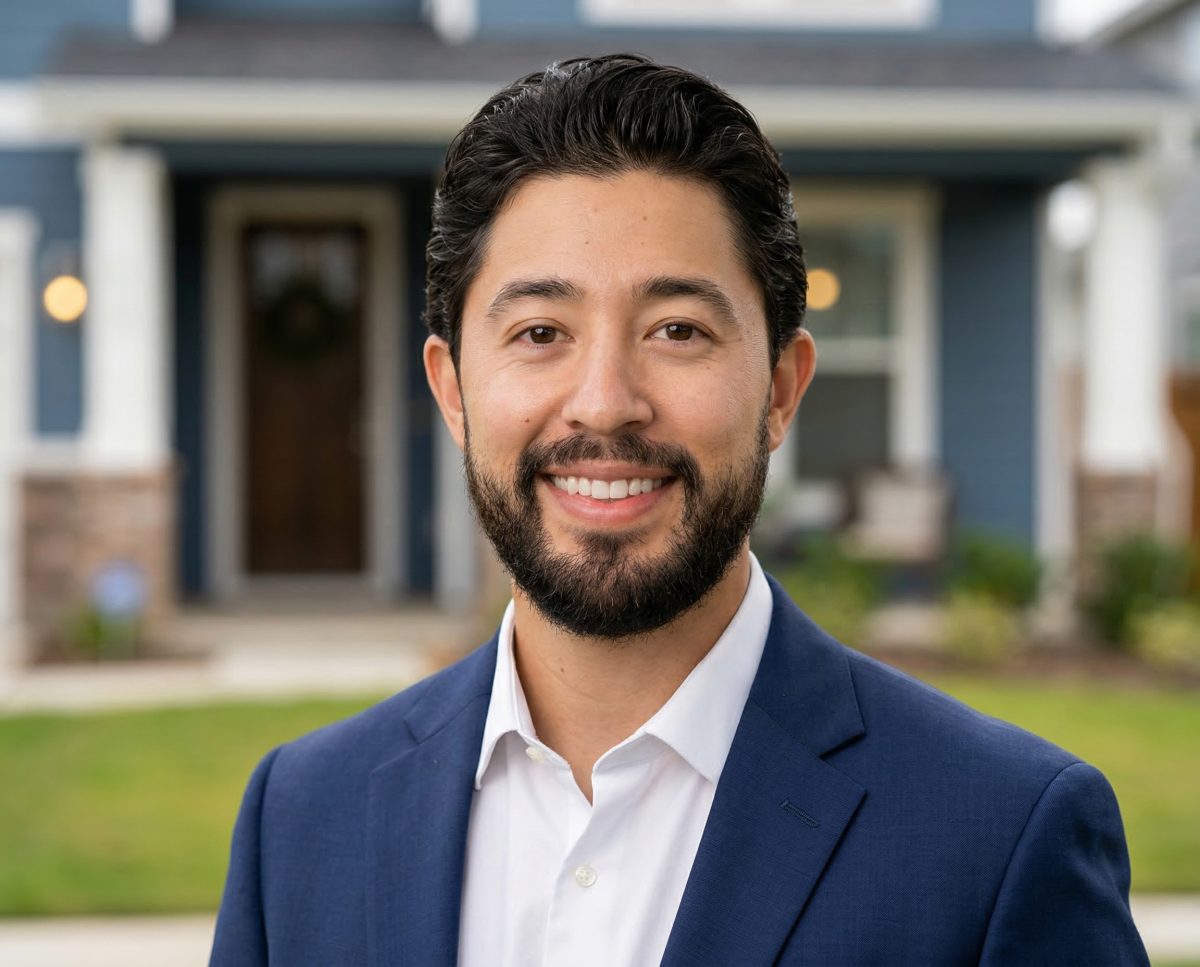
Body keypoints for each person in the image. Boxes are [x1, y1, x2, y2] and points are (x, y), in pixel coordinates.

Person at [210, 54, 1149, 967]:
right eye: (540, 331)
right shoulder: (299, 820)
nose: (605, 403)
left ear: (781, 389)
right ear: (453, 390)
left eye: (677, 330)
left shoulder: (1001, 839)